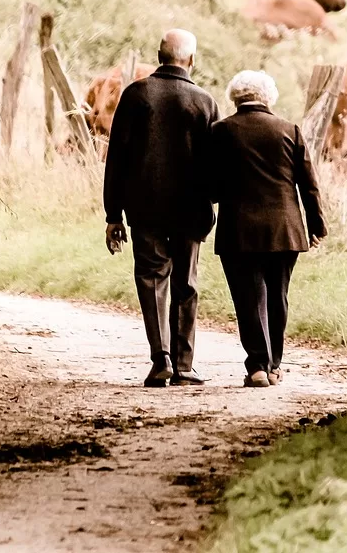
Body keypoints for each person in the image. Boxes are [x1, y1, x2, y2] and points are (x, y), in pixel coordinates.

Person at [104, 29, 220, 387]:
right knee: (186, 282)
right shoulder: (204, 101)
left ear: (159, 55)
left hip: (144, 208)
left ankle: (161, 360)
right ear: (192, 60)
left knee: (152, 280)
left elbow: (116, 159)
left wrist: (113, 215)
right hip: (191, 209)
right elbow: (215, 163)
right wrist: (212, 201)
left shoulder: (136, 95)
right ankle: (185, 365)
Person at [210, 70, 327, 387]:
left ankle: (258, 366)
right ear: (268, 97)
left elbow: (210, 187)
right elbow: (309, 185)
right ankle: (274, 365)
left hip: (238, 230)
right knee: (278, 296)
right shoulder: (289, 130)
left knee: (249, 298)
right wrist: (316, 225)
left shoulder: (220, 131)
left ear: (234, 96)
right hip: (285, 229)